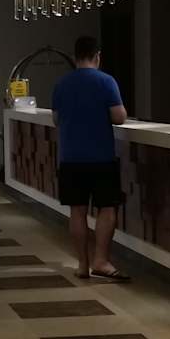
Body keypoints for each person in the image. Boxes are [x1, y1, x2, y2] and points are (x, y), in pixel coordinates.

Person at [51, 34, 129, 282]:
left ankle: (82, 264)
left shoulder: (62, 84)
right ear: (98, 56)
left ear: (74, 57)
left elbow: (56, 119)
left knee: (77, 211)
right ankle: (101, 260)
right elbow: (119, 117)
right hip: (101, 156)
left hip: (70, 157)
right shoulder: (106, 81)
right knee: (107, 208)